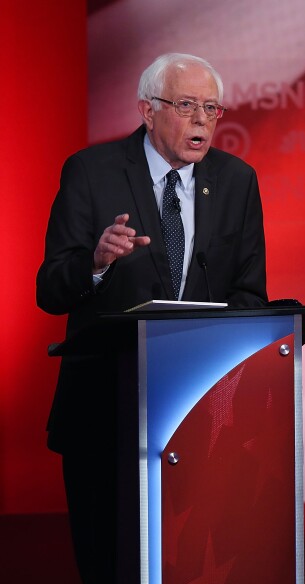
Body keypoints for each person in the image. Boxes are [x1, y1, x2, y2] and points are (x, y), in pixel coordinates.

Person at [37, 53, 268, 583]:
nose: (202, 121)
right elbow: (49, 288)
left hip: (197, 415)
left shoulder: (237, 181)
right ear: (147, 110)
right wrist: (94, 264)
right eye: (186, 105)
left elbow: (251, 294)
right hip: (105, 411)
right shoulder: (91, 172)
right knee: (110, 565)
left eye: (212, 108)